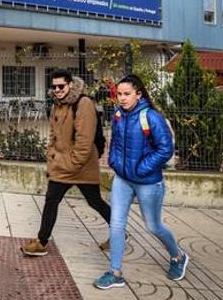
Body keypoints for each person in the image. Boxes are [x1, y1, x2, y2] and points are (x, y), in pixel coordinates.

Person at [94, 74, 188, 290]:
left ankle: (178, 257)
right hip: (123, 180)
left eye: (127, 94)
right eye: (119, 94)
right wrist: (115, 162)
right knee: (116, 225)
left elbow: (165, 149)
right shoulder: (118, 115)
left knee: (153, 226)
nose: (122, 98)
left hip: (148, 183)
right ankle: (115, 272)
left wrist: (141, 168)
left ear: (139, 94)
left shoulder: (151, 117)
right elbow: (115, 143)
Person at [21, 69, 112, 257]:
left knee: (94, 201)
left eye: (61, 86)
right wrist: (51, 154)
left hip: (80, 165)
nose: (57, 90)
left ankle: (119, 232)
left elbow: (84, 141)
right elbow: (54, 134)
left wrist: (70, 164)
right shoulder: (57, 105)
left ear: (70, 85)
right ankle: (41, 242)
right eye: (54, 87)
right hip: (63, 164)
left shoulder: (83, 103)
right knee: (52, 199)